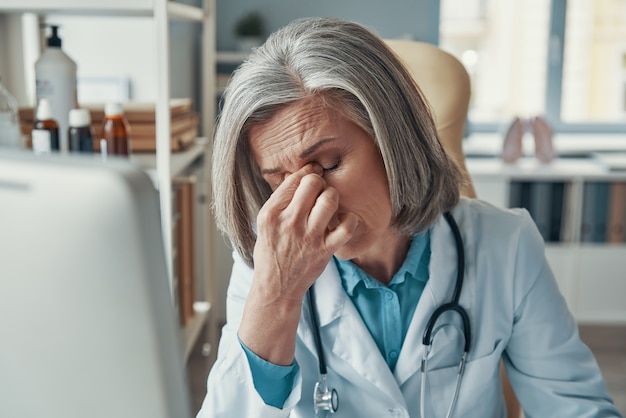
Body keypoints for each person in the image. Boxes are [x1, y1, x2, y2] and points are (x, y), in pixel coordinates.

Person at [197, 17, 621, 418]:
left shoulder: (506, 244)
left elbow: (576, 407)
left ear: (393, 141)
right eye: (280, 180)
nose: (310, 202)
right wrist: (278, 297)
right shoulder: (263, 262)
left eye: (327, 165)